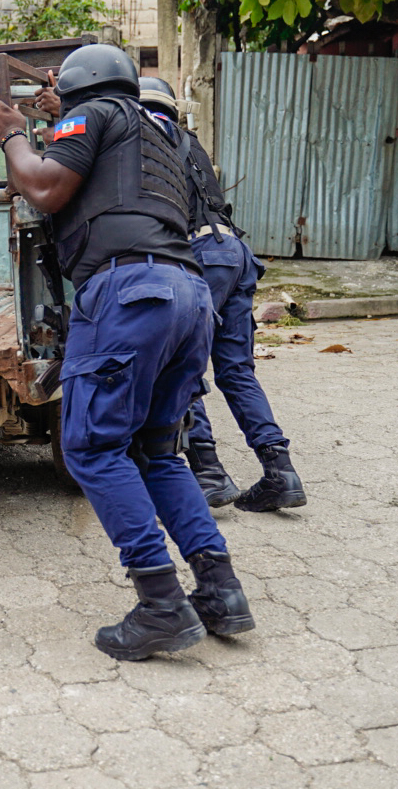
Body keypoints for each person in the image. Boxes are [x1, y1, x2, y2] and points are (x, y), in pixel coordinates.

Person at [0, 44, 253, 661]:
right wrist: (55, 120)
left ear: (78, 95)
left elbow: (46, 187)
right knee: (159, 452)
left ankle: (160, 604)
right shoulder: (157, 134)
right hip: (188, 297)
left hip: (129, 294)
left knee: (93, 448)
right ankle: (221, 591)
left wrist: (13, 136)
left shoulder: (93, 115)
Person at [136, 77, 306, 512]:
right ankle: (280, 473)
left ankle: (209, 471)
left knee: (180, 363)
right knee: (236, 371)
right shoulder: (189, 141)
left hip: (198, 255)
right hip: (234, 252)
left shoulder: (142, 139)